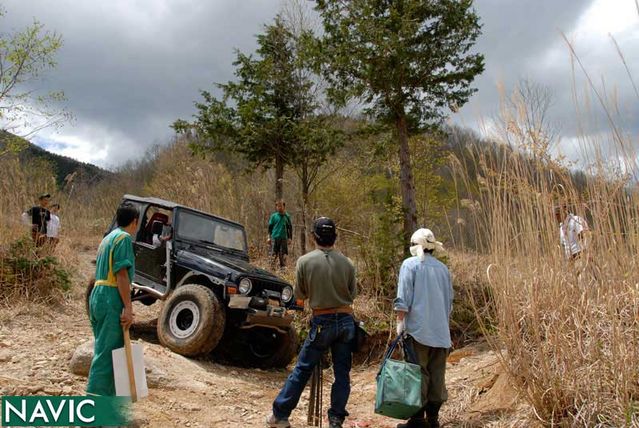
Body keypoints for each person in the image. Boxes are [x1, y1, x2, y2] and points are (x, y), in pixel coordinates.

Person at [268, 217, 357, 428]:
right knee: (342, 374)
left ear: (314, 237)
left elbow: (300, 295)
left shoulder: (305, 261)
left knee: (302, 369)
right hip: (346, 321)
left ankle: (280, 415)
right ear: (335, 237)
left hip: (322, 321)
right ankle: (336, 419)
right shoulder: (348, 263)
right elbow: (352, 295)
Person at [394, 228, 453, 428]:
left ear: (415, 245)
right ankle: (433, 420)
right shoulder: (443, 269)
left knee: (417, 375)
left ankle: (418, 421)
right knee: (437, 376)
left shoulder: (409, 265)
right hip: (441, 332)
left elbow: (403, 301)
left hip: (417, 331)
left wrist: (399, 327)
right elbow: (449, 303)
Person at [86, 203, 139, 397]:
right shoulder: (123, 238)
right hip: (110, 298)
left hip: (98, 295)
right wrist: (128, 306)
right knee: (106, 356)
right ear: (135, 222)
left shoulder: (107, 238)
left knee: (107, 349)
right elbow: (121, 274)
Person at [268, 200, 293, 270]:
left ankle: (283, 271)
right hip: (274, 238)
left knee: (283, 255)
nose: (279, 208)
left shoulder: (287, 216)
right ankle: (271, 271)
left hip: (283, 238)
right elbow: (270, 227)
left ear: (284, 207)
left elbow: (290, 228)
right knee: (273, 255)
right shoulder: (274, 216)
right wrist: (268, 237)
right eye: (278, 206)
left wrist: (290, 238)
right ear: (276, 207)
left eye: (281, 206)